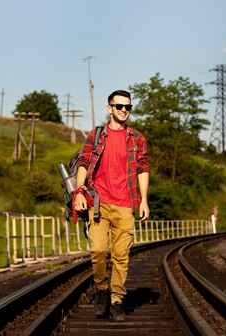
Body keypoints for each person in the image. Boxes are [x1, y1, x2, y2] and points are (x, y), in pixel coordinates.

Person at [73, 89, 150, 322]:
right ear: (110, 109)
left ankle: (116, 300)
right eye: (119, 107)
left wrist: (144, 200)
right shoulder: (97, 135)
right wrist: (78, 192)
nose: (124, 110)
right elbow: (84, 162)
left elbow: (142, 169)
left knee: (121, 256)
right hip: (98, 203)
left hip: (126, 205)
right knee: (97, 251)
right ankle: (101, 288)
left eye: (128, 107)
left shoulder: (136, 138)